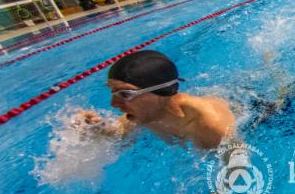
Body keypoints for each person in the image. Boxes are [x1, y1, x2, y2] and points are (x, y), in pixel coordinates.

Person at [75, 50, 235, 149]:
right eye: (113, 93)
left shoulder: (211, 125)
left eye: (125, 94)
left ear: (160, 91)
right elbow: (120, 135)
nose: (113, 104)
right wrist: (97, 130)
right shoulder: (146, 114)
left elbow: (238, 169)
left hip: (253, 114)